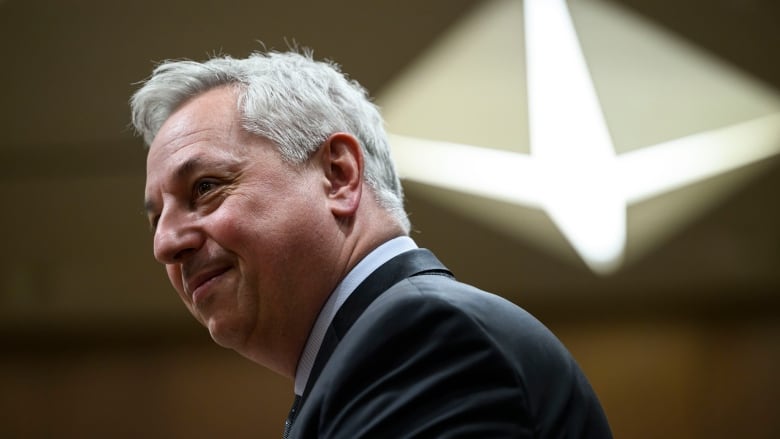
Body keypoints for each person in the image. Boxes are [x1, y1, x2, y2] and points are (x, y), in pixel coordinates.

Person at [131, 49, 612, 438]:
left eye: (205, 188)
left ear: (339, 176)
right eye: (157, 218)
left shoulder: (427, 339)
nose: (166, 244)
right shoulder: (373, 357)